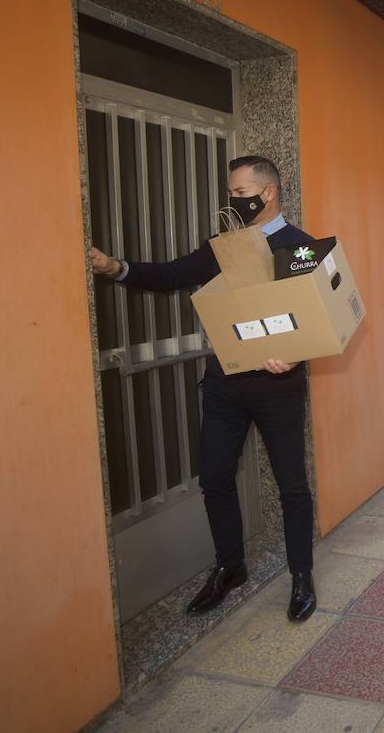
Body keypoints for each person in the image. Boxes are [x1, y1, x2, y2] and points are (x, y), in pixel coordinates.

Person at [88, 156, 318, 622]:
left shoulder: (302, 247)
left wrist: (295, 355)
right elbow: (174, 274)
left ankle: (301, 576)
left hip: (279, 387)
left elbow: (322, 316)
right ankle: (230, 567)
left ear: (268, 192)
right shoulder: (225, 247)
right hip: (224, 384)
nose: (232, 200)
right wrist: (116, 267)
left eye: (238, 192)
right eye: (231, 193)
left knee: (292, 484)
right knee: (214, 478)